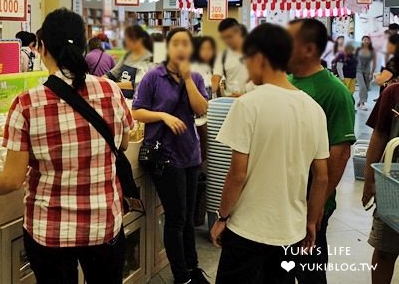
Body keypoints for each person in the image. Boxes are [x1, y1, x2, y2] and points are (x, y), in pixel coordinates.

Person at [0, 8, 132, 284]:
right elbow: (122, 143)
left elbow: (12, 179)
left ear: (42, 47)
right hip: (103, 225)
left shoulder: (27, 103)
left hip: (50, 231)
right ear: (85, 46)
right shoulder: (111, 91)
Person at [210, 23, 329, 283]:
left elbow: (237, 173)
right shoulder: (313, 110)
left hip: (247, 231)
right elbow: (321, 177)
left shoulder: (247, 105)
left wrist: (222, 217)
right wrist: (311, 222)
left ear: (259, 58)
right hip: (291, 230)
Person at [132, 27, 209, 284]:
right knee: (176, 218)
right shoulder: (153, 77)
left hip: (190, 154)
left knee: (188, 218)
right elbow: (137, 111)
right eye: (175, 43)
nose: (180, 48)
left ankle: (193, 266)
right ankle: (181, 275)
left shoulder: (196, 78)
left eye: (185, 44)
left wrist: (187, 79)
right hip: (164, 156)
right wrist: (163, 116)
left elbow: (201, 109)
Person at [288, 19, 356, 283]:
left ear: (307, 49)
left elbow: (339, 158)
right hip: (282, 203)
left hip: (309, 205)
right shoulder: (285, 83)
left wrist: (315, 211)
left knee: (309, 274)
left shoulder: (335, 93)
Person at [363, 84, 399, 284]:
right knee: (385, 250)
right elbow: (379, 134)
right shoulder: (393, 92)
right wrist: (369, 179)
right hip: (393, 188)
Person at [106, 25, 153, 98]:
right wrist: (99, 81)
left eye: (128, 40)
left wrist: (113, 85)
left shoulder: (148, 58)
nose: (126, 43)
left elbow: (137, 84)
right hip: (121, 97)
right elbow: (112, 74)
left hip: (135, 100)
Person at [211, 18, 249, 97]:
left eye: (229, 36)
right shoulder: (222, 56)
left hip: (251, 101)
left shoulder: (255, 54)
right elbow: (215, 79)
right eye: (223, 38)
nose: (227, 41)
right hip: (230, 101)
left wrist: (246, 96)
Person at [357, 35, 377, 110]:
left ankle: (360, 101)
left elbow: (374, 62)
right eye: (364, 39)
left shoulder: (372, 50)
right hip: (358, 70)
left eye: (367, 40)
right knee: (362, 87)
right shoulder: (358, 49)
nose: (366, 41)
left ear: (370, 41)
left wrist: (372, 73)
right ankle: (363, 103)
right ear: (362, 41)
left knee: (367, 88)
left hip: (367, 71)